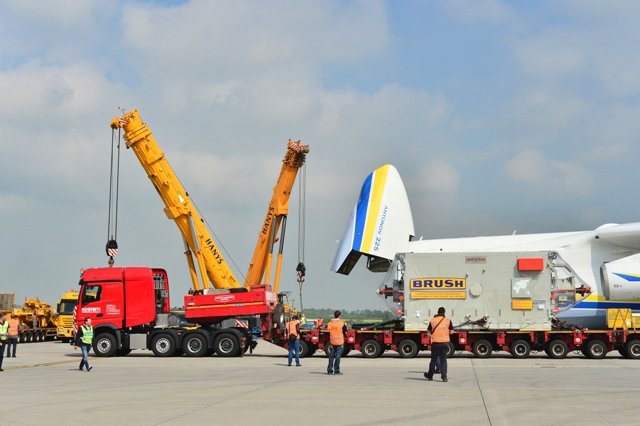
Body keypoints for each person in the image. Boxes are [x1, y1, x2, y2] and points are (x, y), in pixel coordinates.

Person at [425, 307, 453, 382]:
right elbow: (451, 332)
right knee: (443, 360)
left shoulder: (433, 320)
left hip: (435, 343)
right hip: (444, 344)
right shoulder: (448, 321)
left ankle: (430, 376)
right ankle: (444, 377)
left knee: (433, 360)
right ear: (444, 312)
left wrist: (431, 336)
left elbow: (428, 332)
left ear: (437, 312)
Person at [326, 310, 347, 375]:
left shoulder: (330, 323)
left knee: (331, 356)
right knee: (337, 356)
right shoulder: (342, 323)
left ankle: (329, 370)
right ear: (340, 316)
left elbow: (326, 328)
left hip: (332, 342)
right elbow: (345, 332)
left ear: (334, 315)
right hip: (340, 342)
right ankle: (336, 370)